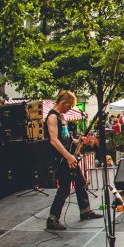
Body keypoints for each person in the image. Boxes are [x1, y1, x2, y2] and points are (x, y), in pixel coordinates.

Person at [45, 91, 102, 231]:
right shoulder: (52, 117)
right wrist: (68, 157)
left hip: (68, 156)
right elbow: (54, 141)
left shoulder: (61, 117)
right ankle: (52, 220)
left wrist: (78, 141)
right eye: (69, 106)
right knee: (64, 188)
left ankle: (85, 211)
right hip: (61, 158)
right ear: (63, 102)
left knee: (80, 182)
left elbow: (66, 139)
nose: (69, 109)